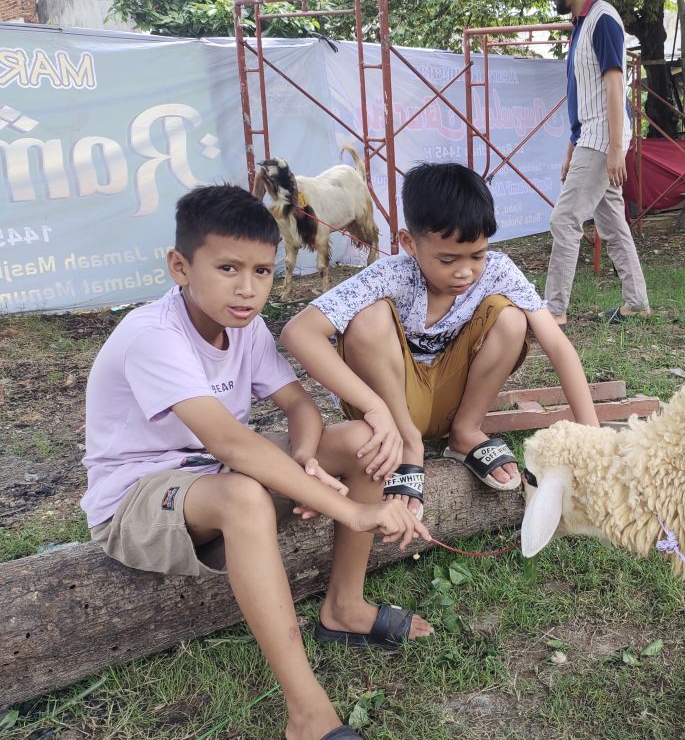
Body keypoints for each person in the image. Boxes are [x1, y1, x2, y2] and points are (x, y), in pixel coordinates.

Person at [82, 185, 431, 740]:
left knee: (363, 437)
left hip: (215, 482)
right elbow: (233, 445)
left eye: (263, 272)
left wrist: (305, 459)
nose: (248, 289)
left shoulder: (243, 326)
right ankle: (308, 716)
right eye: (227, 268)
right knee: (245, 493)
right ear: (180, 266)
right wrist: (355, 512)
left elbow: (298, 405)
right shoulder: (152, 335)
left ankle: (344, 607)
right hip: (137, 500)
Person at [281, 163, 599, 517]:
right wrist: (373, 406)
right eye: (448, 259)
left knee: (511, 318)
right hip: (387, 408)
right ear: (409, 243)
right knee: (368, 318)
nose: (465, 271)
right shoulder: (390, 276)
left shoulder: (498, 270)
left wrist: (592, 443)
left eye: (477, 255)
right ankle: (407, 444)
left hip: (449, 400)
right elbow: (298, 333)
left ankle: (465, 432)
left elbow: (556, 344)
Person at [543, 0, 651, 326]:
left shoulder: (604, 19)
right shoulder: (582, 24)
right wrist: (572, 148)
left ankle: (553, 311)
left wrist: (616, 148)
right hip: (591, 137)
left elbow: (614, 84)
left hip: (603, 137)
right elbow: (581, 94)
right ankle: (636, 300)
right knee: (611, 224)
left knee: (564, 219)